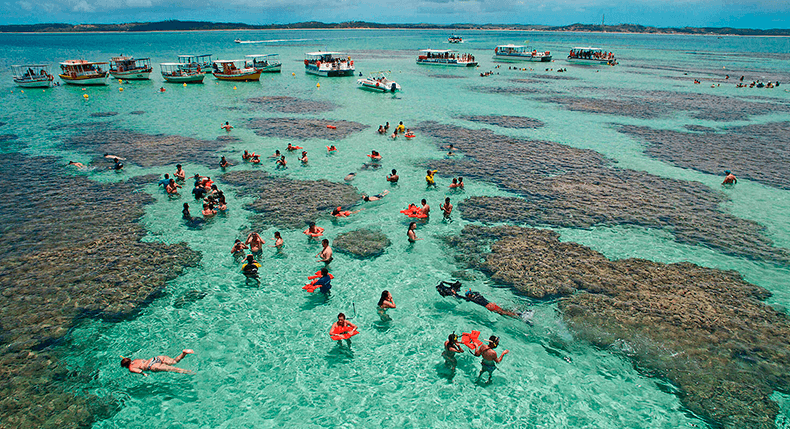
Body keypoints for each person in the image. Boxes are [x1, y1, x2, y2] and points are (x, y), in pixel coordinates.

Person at [436, 281, 522, 319]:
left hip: (489, 307)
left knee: (505, 313)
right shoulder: (477, 294)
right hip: (491, 304)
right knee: (504, 312)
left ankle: (519, 316)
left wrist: (454, 294)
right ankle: (517, 314)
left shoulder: (472, 300)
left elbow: (460, 297)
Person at [121, 349, 195, 376]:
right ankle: (184, 353)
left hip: (151, 366)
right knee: (174, 361)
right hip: (155, 359)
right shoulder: (135, 360)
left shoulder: (131, 368)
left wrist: (144, 374)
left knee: (173, 369)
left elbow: (140, 371)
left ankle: (190, 372)